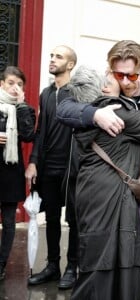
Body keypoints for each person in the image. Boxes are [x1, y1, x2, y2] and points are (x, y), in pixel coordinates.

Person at [62, 63, 140, 299]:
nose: (117, 78)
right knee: (103, 267)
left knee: (98, 264)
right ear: (103, 89)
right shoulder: (116, 112)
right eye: (110, 76)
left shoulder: (89, 113)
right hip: (109, 198)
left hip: (92, 196)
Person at [0, 66, 36, 280]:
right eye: (11, 83)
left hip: (11, 172)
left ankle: (1, 263)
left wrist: (21, 105)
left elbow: (29, 135)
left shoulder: (25, 109)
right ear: (2, 83)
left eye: (20, 84)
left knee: (10, 221)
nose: (15, 88)